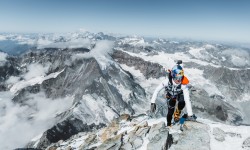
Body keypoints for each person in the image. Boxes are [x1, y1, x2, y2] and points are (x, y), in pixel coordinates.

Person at [150, 61, 196, 127]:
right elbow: (157, 90)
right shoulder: (166, 81)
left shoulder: (183, 85)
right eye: (177, 78)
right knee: (170, 111)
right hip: (171, 96)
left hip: (179, 94)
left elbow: (187, 99)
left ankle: (177, 114)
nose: (179, 80)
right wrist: (152, 102)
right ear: (173, 76)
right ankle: (169, 124)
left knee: (182, 101)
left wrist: (190, 114)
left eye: (180, 78)